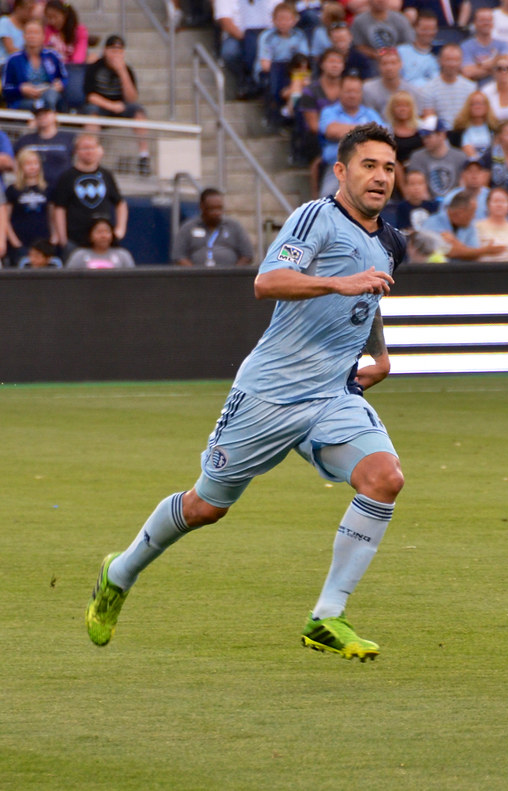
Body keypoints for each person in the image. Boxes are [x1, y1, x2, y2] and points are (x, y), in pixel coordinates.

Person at [85, 123, 408, 661]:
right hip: (269, 395)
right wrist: (339, 282)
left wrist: (381, 354)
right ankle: (119, 574)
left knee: (384, 479)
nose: (380, 176)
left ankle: (326, 617)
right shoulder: (316, 218)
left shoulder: (392, 241)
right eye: (369, 165)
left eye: (389, 167)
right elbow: (267, 282)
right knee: (206, 507)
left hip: (331, 395)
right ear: (341, 171)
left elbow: (368, 298)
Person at [82, 34, 151, 170]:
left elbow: (132, 98)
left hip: (121, 106)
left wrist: (122, 72)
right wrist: (111, 106)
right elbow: (90, 96)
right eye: (113, 50)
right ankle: (93, 155)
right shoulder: (95, 67)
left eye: (119, 51)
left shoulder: (127, 70)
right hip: (101, 106)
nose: (116, 54)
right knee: (91, 115)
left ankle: (144, 156)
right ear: (105, 51)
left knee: (138, 112)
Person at [51, 133, 127, 251]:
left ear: (98, 150)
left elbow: (120, 203)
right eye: (85, 148)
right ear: (76, 151)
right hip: (75, 240)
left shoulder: (106, 175)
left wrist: (120, 230)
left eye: (92, 148)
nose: (89, 152)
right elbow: (59, 208)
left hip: (103, 242)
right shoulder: (67, 177)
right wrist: (62, 238)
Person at [317, 73, 386, 195]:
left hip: (367, 169)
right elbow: (331, 131)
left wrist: (344, 130)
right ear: (340, 91)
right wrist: (365, 131)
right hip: (337, 168)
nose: (352, 95)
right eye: (348, 91)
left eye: (356, 92)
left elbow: (381, 135)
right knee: (326, 200)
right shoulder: (329, 111)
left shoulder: (370, 113)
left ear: (361, 94)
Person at [256, 3, 310, 129]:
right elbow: (265, 65)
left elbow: (303, 62)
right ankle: (290, 109)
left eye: (287, 19)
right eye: (280, 19)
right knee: (298, 83)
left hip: (295, 74)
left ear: (294, 20)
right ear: (274, 20)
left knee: (302, 79)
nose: (284, 22)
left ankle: (289, 109)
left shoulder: (300, 36)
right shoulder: (267, 37)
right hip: (274, 73)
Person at [172, 188, 255, 267]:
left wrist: (233, 273)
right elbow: (178, 256)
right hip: (197, 278)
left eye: (219, 208)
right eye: (212, 209)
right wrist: (195, 274)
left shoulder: (234, 226)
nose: (217, 213)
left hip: (229, 277)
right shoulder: (188, 228)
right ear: (202, 207)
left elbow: (247, 255)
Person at [1, 19, 66, 111]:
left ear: (43, 36)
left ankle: (44, 116)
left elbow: (64, 78)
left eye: (36, 33)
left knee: (50, 97)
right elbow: (6, 88)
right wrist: (21, 89)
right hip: (23, 100)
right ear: (24, 36)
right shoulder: (13, 60)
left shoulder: (53, 56)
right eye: (29, 33)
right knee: (36, 105)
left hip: (48, 95)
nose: (32, 36)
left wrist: (60, 84)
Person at [421, 189, 504, 259]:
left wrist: (456, 243)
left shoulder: (469, 226)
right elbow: (448, 252)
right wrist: (484, 251)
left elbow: (474, 255)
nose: (474, 216)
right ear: (460, 213)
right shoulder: (431, 224)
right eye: (472, 212)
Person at [4, 148, 49, 266]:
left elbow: (52, 214)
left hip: (42, 239)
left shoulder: (46, 188)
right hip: (20, 240)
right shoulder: (12, 190)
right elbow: (5, 218)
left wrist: (53, 237)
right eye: (28, 164)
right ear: (20, 167)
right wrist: (14, 240)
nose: (32, 167)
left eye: (35, 163)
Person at [13, 102, 75, 187]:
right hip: (33, 191)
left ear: (54, 115)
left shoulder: (69, 138)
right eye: (38, 115)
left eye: (46, 113)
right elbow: (15, 162)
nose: (42, 117)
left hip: (62, 188)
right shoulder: (25, 140)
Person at [407, 115, 468, 199]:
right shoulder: (417, 157)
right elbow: (415, 186)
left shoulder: (460, 157)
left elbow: (463, 186)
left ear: (442, 135)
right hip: (427, 203)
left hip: (454, 204)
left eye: (428, 136)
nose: (425, 140)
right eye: (423, 137)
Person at [419, 43, 476, 128]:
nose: (452, 64)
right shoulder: (428, 89)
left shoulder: (471, 87)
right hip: (440, 133)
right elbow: (429, 120)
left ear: (461, 61)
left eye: (456, 60)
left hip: (465, 132)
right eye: (448, 60)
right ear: (440, 61)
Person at [350, 0, 415, 60]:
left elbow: (408, 43)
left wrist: (391, 55)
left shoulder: (400, 19)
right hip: (370, 61)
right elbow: (358, 46)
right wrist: (376, 55)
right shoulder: (359, 21)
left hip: (398, 60)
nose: (381, 1)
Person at [65, 216, 136, 269]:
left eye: (107, 232)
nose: (103, 236)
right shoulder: (79, 255)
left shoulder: (123, 255)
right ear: (90, 235)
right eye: (99, 232)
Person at [461, 7, 508, 82]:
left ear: (493, 23)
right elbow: (468, 72)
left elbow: (505, 66)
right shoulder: (465, 46)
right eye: (482, 20)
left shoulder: (504, 44)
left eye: (489, 20)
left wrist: (479, 65)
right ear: (475, 23)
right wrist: (496, 64)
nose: (486, 23)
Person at [396, 11, 440, 86]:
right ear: (415, 28)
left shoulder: (441, 53)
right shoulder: (401, 51)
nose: (428, 33)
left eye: (432, 29)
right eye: (424, 29)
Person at [43, 0, 90, 65]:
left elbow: (79, 56)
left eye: (55, 17)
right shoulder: (47, 30)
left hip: (72, 68)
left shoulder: (79, 30)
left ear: (65, 15)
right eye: (49, 17)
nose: (52, 21)